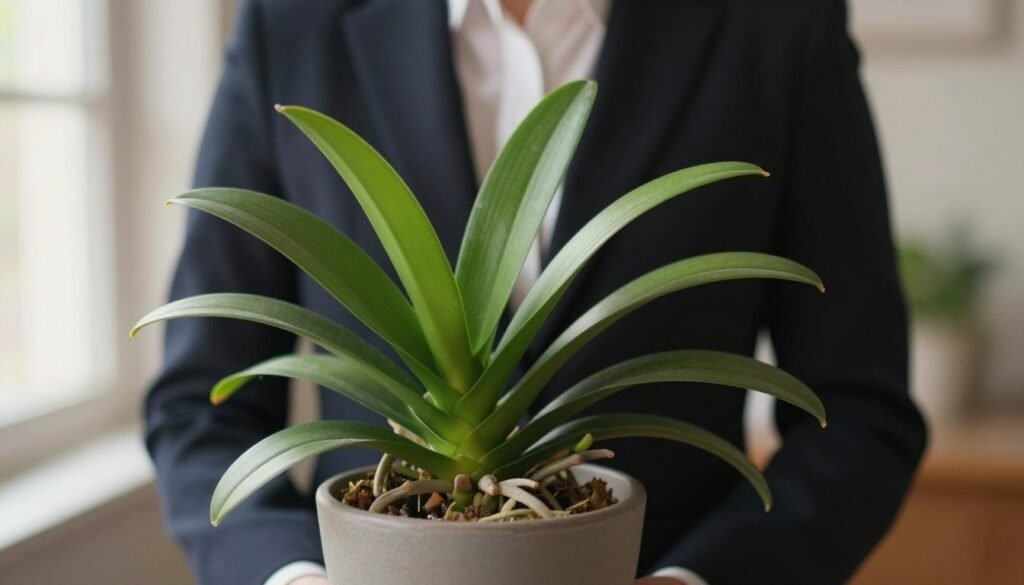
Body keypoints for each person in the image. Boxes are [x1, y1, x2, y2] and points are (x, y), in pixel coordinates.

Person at [145, 0, 927, 584]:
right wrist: (293, 576)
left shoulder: (777, 25)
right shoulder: (294, 25)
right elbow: (199, 406)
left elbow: (858, 411)